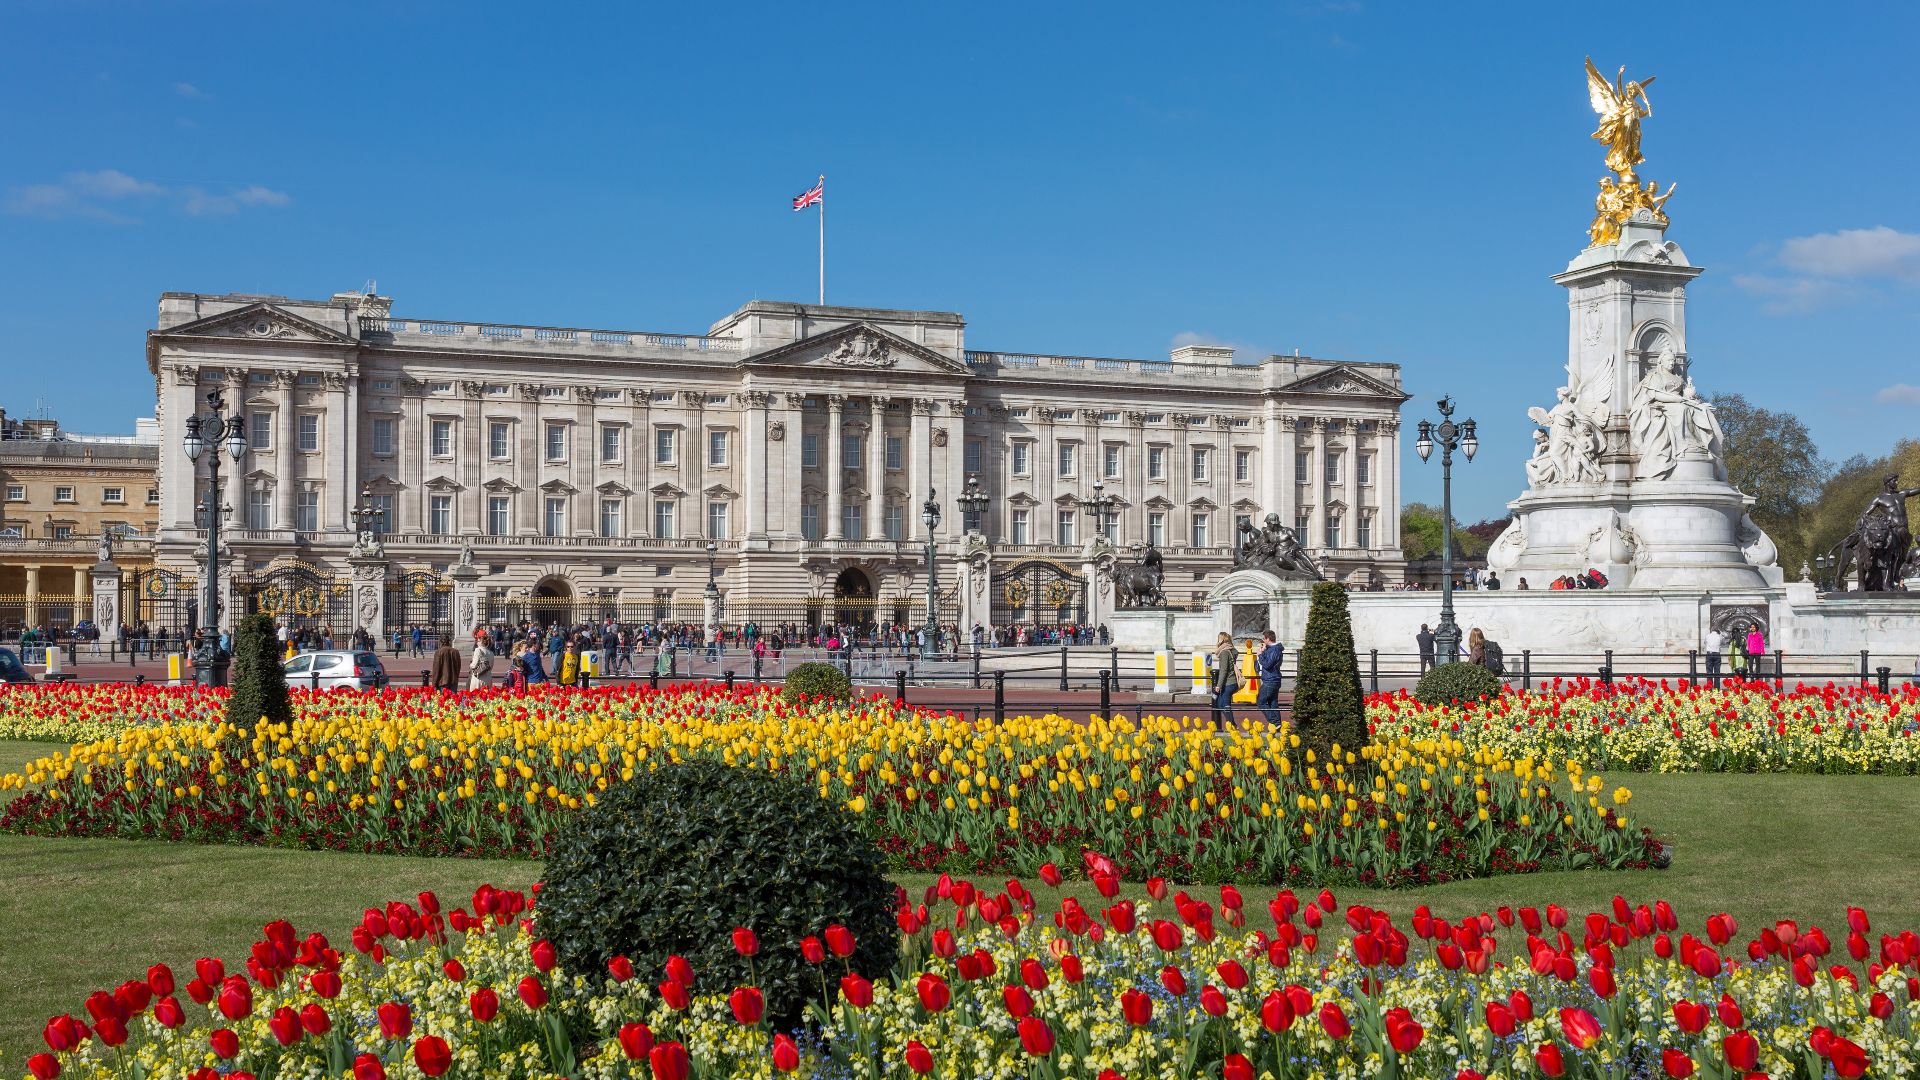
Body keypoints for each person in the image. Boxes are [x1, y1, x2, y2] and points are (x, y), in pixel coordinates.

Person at [1210, 632, 1240, 730]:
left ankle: (1232, 726)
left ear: (1222, 640)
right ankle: (1232, 724)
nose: (1217, 641)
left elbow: (1223, 670)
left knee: (1225, 704)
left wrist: (1218, 685)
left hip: (1228, 682)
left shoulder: (1224, 653)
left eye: (1219, 639)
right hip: (1233, 682)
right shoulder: (1232, 650)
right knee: (1220, 703)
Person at [1254, 630, 1284, 724]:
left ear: (1268, 639)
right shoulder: (1272, 649)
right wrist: (1263, 651)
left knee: (1260, 702)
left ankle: (1275, 722)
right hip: (1272, 679)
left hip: (1270, 680)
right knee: (1273, 702)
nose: (1263, 641)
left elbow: (1267, 665)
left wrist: (1260, 655)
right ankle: (1278, 724)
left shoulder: (1274, 650)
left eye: (1264, 638)